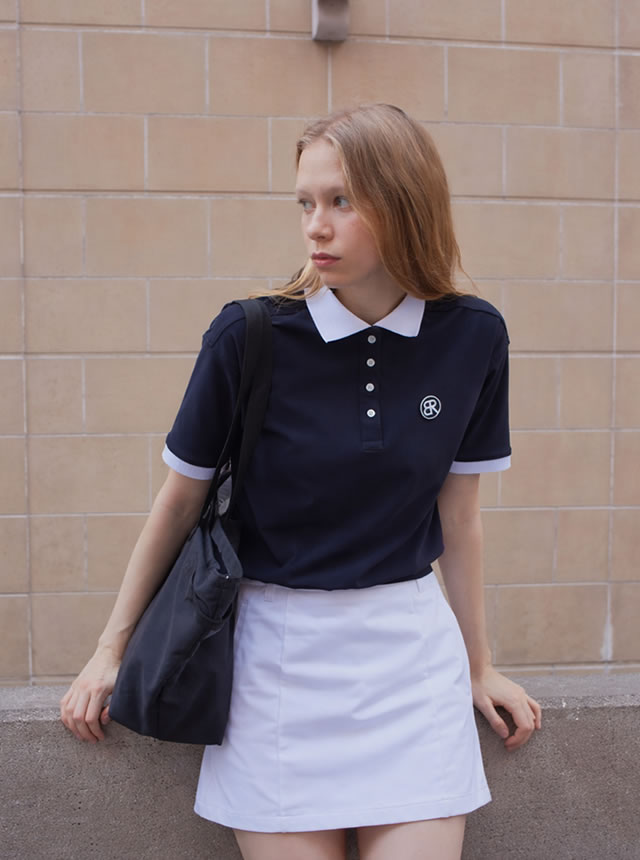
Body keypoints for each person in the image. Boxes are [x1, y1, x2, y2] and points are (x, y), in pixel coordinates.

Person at [61, 103, 542, 860]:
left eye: (341, 201)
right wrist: (109, 649)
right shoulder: (248, 335)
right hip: (275, 667)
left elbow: (460, 517)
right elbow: (179, 502)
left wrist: (479, 667)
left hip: (410, 665)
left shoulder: (474, 335)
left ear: (405, 202)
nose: (316, 226)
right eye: (306, 203)